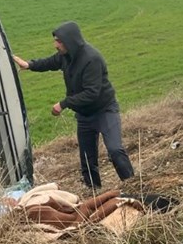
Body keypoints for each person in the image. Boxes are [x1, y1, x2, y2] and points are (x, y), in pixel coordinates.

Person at [12, 21, 135, 189]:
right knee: (87, 159)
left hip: (104, 110)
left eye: (59, 41)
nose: (56, 44)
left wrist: (64, 104)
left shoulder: (92, 59)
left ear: (70, 40)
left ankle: (133, 186)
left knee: (115, 150)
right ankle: (94, 192)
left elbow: (92, 93)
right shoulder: (66, 56)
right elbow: (50, 63)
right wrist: (29, 65)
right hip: (84, 115)